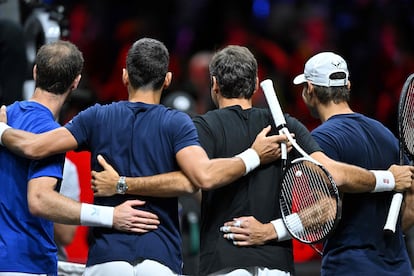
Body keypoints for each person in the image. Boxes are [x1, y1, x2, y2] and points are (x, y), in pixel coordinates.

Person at [87, 45, 414, 276]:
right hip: (283, 265)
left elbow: (191, 181)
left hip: (224, 262)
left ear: (213, 85)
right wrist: (272, 231)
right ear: (257, 85)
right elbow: (328, 206)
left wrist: (122, 183)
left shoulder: (198, 126)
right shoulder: (291, 125)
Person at [0, 38, 283, 276]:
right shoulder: (178, 123)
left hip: (106, 259)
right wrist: (253, 155)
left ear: (124, 75)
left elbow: (35, 147)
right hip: (160, 259)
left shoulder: (95, 116)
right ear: (168, 79)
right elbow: (199, 178)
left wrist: (2, 130)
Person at [0, 40, 160, 276]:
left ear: (35, 71)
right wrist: (111, 216)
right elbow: (40, 200)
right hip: (24, 264)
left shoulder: (4, 116)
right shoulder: (50, 134)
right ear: (75, 82)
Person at [292, 51, 412, 275]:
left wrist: (273, 229)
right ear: (347, 84)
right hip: (399, 267)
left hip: (348, 265)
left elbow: (324, 213)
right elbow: (412, 201)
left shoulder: (318, 141)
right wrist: (384, 232)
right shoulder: (384, 133)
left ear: (309, 90)